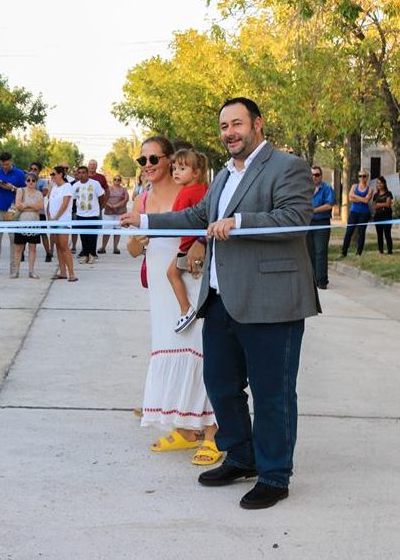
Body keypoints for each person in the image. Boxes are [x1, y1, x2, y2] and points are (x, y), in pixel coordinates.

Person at [121, 98, 320, 509]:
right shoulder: (225, 173)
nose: (229, 132)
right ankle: (241, 456)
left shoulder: (287, 167)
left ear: (257, 125)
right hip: (219, 300)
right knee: (221, 385)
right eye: (224, 126)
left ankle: (274, 475)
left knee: (272, 393)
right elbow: (198, 216)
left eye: (237, 124)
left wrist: (239, 223)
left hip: (271, 301)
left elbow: (296, 218)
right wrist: (144, 222)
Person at [122, 136, 220, 470]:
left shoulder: (189, 190)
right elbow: (133, 251)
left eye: (154, 159)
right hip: (161, 285)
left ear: (170, 160)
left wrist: (200, 244)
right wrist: (140, 237)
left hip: (189, 278)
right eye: (142, 161)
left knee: (199, 349)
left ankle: (212, 433)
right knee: (168, 347)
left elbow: (209, 228)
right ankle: (184, 429)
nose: (147, 166)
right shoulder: (143, 198)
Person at [167, 149, 210, 333]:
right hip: (204, 242)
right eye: (174, 168)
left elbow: (176, 218)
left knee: (171, 274)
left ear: (196, 173)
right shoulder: (205, 190)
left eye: (182, 168)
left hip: (188, 245)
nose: (176, 172)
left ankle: (186, 309)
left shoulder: (186, 193)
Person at [0, 152, 26, 275]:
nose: (4, 167)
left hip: (13, 210)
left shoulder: (19, 173)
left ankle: (14, 268)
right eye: (2, 164)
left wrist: (12, 188)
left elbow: (25, 192)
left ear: (11, 161)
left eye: (7, 164)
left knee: (13, 239)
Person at [46, 166, 76, 282]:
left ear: (60, 174)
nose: (52, 177)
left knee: (64, 246)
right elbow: (49, 203)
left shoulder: (67, 187)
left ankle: (71, 273)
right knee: (58, 246)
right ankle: (63, 272)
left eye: (53, 174)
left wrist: (57, 217)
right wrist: (49, 216)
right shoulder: (54, 188)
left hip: (63, 221)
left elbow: (65, 204)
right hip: (53, 221)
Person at [11, 172, 44, 279]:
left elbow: (40, 206)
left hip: (34, 223)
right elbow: (18, 205)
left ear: (36, 182)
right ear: (25, 181)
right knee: (18, 248)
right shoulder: (21, 190)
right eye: (28, 180)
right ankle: (16, 271)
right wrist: (31, 206)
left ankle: (31, 271)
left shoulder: (39, 193)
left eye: (33, 180)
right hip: (22, 222)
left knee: (33, 248)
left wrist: (26, 205)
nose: (31, 182)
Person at [307, 166, 335, 289]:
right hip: (307, 223)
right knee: (309, 251)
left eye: (317, 175)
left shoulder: (327, 188)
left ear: (321, 176)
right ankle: (312, 279)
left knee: (320, 251)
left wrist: (314, 210)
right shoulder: (306, 189)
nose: (314, 177)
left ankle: (322, 280)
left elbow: (329, 205)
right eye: (312, 175)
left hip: (321, 223)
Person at [73, 165, 105, 264]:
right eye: (79, 173)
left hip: (93, 215)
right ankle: (85, 255)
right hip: (80, 215)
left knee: (91, 236)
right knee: (83, 236)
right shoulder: (75, 186)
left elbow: (101, 196)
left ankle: (92, 254)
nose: (81, 175)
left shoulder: (95, 184)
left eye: (83, 172)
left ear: (87, 174)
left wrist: (99, 208)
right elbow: (73, 199)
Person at [341, 169, 373, 257]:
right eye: (360, 176)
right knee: (349, 232)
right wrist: (361, 198)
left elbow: (366, 200)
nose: (362, 178)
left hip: (364, 213)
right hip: (354, 211)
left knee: (361, 232)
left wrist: (355, 196)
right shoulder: (354, 186)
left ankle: (359, 253)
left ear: (367, 177)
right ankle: (344, 252)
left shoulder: (370, 189)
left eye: (364, 176)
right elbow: (350, 198)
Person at [100, 175, 130, 255]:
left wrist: (117, 206)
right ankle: (103, 247)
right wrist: (110, 205)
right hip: (109, 212)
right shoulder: (108, 189)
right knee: (106, 230)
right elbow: (104, 198)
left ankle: (115, 247)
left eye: (118, 179)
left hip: (119, 212)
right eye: (115, 179)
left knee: (117, 229)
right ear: (113, 180)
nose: (117, 181)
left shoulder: (124, 189)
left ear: (120, 181)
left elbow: (126, 199)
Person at [372, 176, 394, 255]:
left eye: (380, 183)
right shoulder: (375, 195)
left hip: (387, 216)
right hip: (378, 216)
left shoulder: (389, 193)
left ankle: (390, 251)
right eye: (377, 183)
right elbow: (374, 206)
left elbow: (388, 204)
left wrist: (379, 204)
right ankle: (380, 250)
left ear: (384, 184)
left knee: (387, 233)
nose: (379, 184)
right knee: (379, 234)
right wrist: (382, 204)